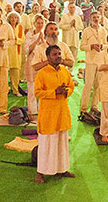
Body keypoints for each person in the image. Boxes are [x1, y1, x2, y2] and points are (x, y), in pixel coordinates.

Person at [33, 45, 76, 183]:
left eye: (59, 53)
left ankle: (62, 169)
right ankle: (40, 173)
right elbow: (37, 92)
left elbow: (71, 86)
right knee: (46, 144)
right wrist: (54, 92)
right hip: (48, 114)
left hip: (62, 113)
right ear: (48, 57)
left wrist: (66, 91)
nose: (58, 56)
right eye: (54, 54)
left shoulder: (65, 71)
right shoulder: (42, 73)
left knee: (62, 143)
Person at [28, 22, 75, 115]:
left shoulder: (63, 46)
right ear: (46, 32)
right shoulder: (40, 48)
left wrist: (61, 61)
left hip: (61, 82)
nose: (54, 32)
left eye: (56, 29)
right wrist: (49, 61)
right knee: (46, 113)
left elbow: (71, 63)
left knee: (61, 113)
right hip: (46, 84)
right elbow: (35, 66)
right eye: (51, 29)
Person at [79, 15, 108, 115]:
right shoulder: (86, 30)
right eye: (94, 17)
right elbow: (82, 46)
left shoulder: (103, 30)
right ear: (91, 19)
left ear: (100, 19)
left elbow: (107, 45)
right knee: (88, 85)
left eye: (97, 17)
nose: (96, 19)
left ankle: (94, 106)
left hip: (101, 61)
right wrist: (91, 46)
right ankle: (83, 108)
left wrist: (101, 46)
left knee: (98, 85)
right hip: (90, 62)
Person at [7, 12, 25, 96]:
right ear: (9, 19)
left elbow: (23, 40)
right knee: (4, 73)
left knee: (16, 72)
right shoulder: (6, 27)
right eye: (11, 17)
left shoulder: (20, 27)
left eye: (15, 18)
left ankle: (15, 90)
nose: (13, 19)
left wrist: (16, 39)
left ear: (18, 19)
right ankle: (4, 90)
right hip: (7, 52)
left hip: (16, 53)